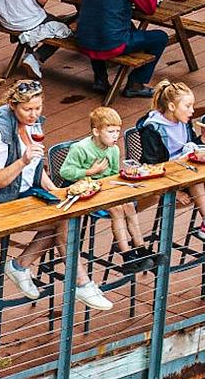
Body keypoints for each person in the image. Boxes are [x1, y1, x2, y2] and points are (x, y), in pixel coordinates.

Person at [0, 80, 114, 311]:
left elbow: (35, 167)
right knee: (61, 220)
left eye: (38, 108)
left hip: (24, 194)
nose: (34, 115)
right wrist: (22, 161)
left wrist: (56, 191)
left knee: (65, 211)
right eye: (28, 109)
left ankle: (23, 266)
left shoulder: (32, 124)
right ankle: (80, 283)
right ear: (13, 105)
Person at [140, 79, 205, 248]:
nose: (192, 111)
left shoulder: (184, 122)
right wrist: (173, 192)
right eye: (187, 106)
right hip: (166, 178)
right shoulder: (152, 129)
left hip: (186, 172)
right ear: (172, 107)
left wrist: (202, 138)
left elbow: (189, 148)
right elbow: (151, 165)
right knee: (197, 174)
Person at [57, 105, 153, 272]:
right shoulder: (80, 148)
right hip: (83, 191)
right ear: (96, 132)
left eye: (117, 132)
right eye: (110, 132)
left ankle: (141, 248)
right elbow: (65, 172)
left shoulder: (114, 149)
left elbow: (114, 173)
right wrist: (90, 171)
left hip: (104, 189)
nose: (115, 136)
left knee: (129, 205)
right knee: (116, 209)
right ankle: (126, 255)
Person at [74, 0, 169, 98]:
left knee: (99, 24)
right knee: (160, 37)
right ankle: (136, 83)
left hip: (83, 38)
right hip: (111, 43)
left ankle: (100, 79)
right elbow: (149, 8)